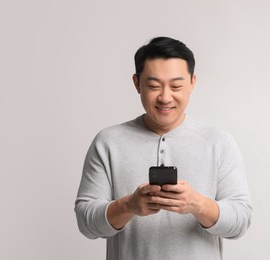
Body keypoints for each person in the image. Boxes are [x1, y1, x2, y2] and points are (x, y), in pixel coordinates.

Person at [74, 36, 252, 260]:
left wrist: (197, 204)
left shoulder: (219, 142)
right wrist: (129, 205)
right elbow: (86, 223)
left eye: (176, 86)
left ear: (192, 82)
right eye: (153, 86)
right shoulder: (108, 142)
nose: (165, 97)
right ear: (137, 83)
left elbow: (241, 222)